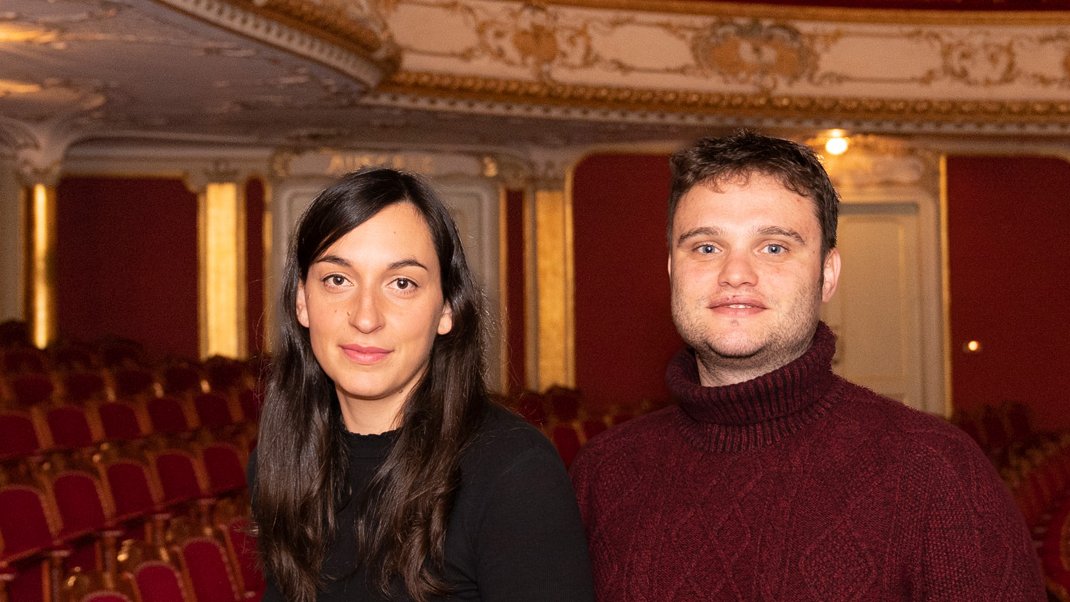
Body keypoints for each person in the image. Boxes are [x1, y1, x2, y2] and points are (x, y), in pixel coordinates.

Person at [569, 131, 1045, 600]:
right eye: (706, 247)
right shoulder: (603, 474)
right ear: (673, 270)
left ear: (827, 274)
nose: (736, 273)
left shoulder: (935, 471)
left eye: (774, 247)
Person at [250, 168, 594, 602]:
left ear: (447, 308)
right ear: (302, 301)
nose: (366, 316)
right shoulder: (280, 459)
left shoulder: (512, 473)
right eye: (337, 280)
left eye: (402, 283)